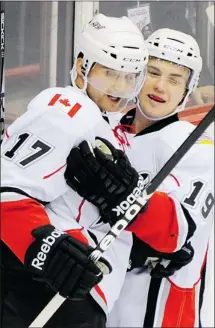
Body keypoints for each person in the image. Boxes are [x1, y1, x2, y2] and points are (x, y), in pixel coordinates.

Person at [1, 14, 149, 328]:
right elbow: (8, 189)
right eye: (109, 73)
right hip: (50, 290)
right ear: (82, 65)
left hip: (76, 288)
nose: (120, 87)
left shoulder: (107, 122)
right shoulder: (69, 108)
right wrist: (47, 248)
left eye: (129, 77)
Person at [64, 28, 214, 327]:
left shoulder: (195, 147)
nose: (160, 86)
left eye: (175, 79)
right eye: (152, 71)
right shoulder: (107, 128)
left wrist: (122, 196)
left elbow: (176, 232)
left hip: (158, 313)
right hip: (101, 303)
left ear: (188, 89)